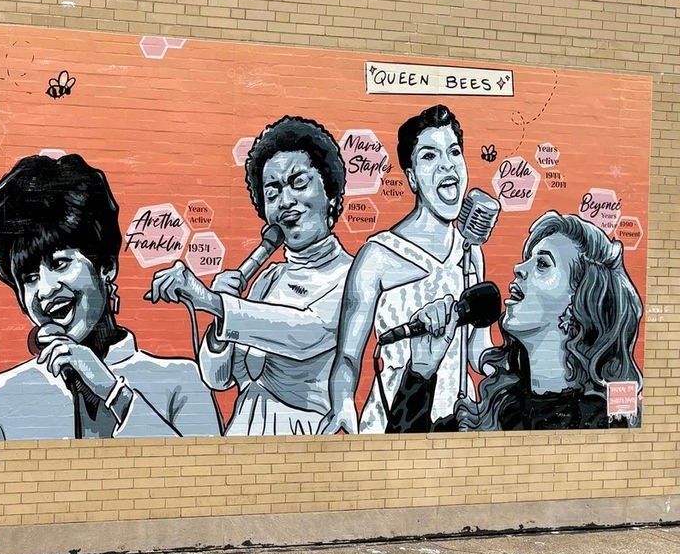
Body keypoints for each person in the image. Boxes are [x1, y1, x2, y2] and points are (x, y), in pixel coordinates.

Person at [0, 154, 221, 442]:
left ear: (106, 265)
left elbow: (203, 478)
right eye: (29, 278)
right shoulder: (4, 398)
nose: (46, 290)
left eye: (60, 263)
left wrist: (114, 394)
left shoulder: (180, 383)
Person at [146, 117, 353, 436]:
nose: (285, 202)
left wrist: (215, 303)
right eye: (272, 193)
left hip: (304, 438)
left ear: (332, 196)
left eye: (298, 183)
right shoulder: (268, 279)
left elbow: (304, 335)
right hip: (244, 430)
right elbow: (219, 379)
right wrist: (218, 326)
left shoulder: (353, 274)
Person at [386, 212, 643, 432]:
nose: (519, 268)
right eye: (528, 258)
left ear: (579, 303)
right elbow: (403, 461)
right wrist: (421, 372)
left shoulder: (606, 420)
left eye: (542, 263)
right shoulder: (493, 411)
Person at [321, 105, 489, 434]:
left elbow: (476, 348)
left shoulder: (471, 252)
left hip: (459, 423)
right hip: (394, 419)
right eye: (429, 156)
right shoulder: (376, 257)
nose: (446, 165)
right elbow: (348, 358)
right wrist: (342, 403)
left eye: (454, 152)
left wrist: (509, 364)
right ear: (411, 177)